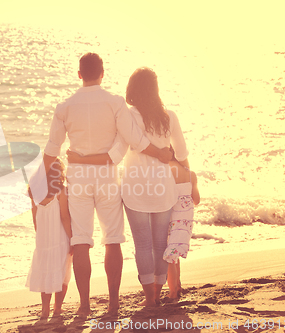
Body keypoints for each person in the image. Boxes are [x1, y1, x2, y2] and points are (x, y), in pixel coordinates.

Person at [43, 53, 172, 316]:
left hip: (78, 178)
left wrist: (44, 183)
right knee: (112, 240)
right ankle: (113, 304)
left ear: (79, 75)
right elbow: (133, 140)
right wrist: (159, 153)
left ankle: (85, 305)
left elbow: (51, 150)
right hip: (107, 177)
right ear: (102, 73)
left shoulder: (64, 107)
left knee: (81, 241)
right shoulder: (114, 103)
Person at [67, 67, 189, 307]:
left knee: (142, 244)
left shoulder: (128, 115)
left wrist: (85, 160)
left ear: (132, 90)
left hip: (135, 189)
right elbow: (182, 154)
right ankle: (157, 290)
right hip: (162, 189)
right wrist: (188, 178)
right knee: (159, 245)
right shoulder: (170, 117)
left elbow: (120, 150)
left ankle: (150, 298)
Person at [26, 158, 73, 318]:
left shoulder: (35, 192)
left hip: (43, 240)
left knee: (46, 273)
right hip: (59, 238)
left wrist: (40, 237)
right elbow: (65, 217)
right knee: (63, 273)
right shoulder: (62, 192)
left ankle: (45, 310)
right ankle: (57, 308)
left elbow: (34, 218)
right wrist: (72, 238)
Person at [163, 153, 200, 300]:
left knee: (170, 256)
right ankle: (177, 286)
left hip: (172, 219)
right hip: (186, 221)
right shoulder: (191, 175)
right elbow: (196, 200)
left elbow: (164, 198)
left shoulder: (166, 172)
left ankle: (172, 293)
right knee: (174, 252)